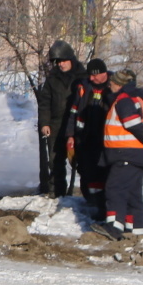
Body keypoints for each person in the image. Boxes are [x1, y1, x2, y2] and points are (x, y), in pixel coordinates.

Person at [96, 69, 143, 240]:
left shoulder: (124, 100)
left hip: (126, 153)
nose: (110, 85)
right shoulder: (138, 99)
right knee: (133, 193)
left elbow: (133, 124)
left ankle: (114, 226)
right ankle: (135, 228)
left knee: (115, 189)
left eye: (113, 82)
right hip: (138, 155)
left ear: (121, 84)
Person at [65, 58, 113, 212]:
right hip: (85, 139)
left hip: (106, 140)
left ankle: (103, 203)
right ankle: (91, 201)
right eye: (90, 75)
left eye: (94, 75)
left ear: (104, 73)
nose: (91, 78)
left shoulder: (113, 88)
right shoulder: (83, 87)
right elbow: (73, 112)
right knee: (86, 171)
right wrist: (70, 135)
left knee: (104, 172)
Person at [35, 40, 81, 198]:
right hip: (56, 124)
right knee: (55, 161)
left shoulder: (82, 76)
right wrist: (44, 123)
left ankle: (89, 194)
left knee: (80, 159)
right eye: (57, 62)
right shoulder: (52, 78)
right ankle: (58, 192)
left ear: (71, 59)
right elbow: (45, 102)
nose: (60, 64)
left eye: (63, 61)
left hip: (77, 124)